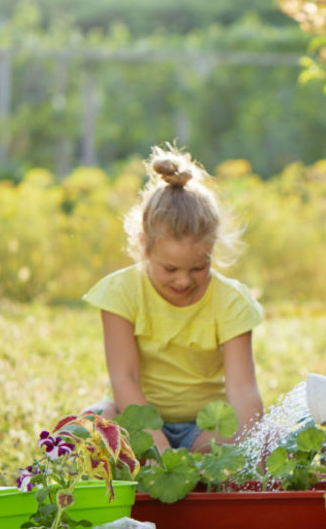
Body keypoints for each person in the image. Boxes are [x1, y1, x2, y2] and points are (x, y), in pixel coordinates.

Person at [82, 146, 263, 453]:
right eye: (170, 269)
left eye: (199, 267)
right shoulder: (121, 293)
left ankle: (196, 463)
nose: (183, 281)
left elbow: (243, 392)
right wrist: (159, 451)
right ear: (144, 246)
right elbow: (125, 378)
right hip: (138, 421)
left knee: (263, 433)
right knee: (91, 422)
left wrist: (251, 448)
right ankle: (152, 463)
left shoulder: (231, 301)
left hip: (206, 428)